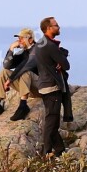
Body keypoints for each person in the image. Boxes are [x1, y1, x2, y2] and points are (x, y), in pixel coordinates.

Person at [0, 28, 40, 121]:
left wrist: (10, 80)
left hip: (41, 88)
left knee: (25, 72)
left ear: (30, 39)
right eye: (19, 38)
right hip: (29, 88)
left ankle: (23, 106)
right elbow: (7, 65)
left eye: (22, 38)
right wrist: (11, 49)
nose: (19, 41)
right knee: (4, 72)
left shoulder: (37, 50)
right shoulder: (23, 52)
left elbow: (26, 66)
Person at [35, 16, 70, 156]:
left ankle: (60, 150)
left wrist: (60, 56)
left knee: (53, 121)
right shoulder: (49, 45)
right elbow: (66, 66)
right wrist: (61, 58)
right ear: (48, 28)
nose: (59, 27)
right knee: (51, 120)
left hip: (44, 86)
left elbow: (59, 57)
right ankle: (46, 152)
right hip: (52, 87)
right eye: (56, 25)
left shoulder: (40, 43)